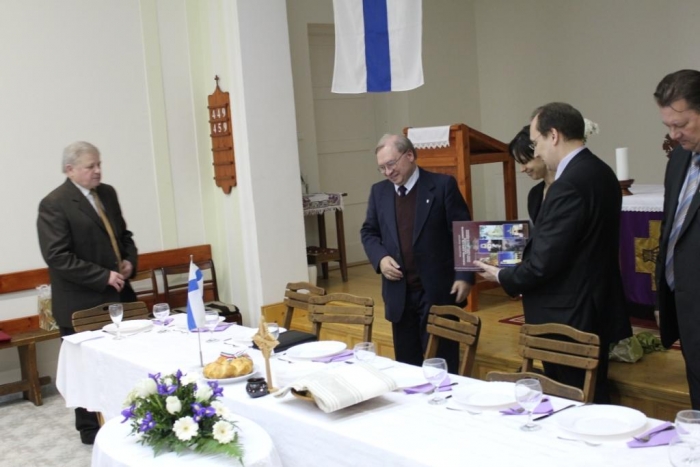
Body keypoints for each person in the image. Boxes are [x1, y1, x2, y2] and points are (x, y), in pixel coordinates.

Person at [476, 103, 631, 403]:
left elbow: (545, 261)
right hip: (592, 304)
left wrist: (503, 276)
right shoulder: (601, 171)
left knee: (570, 400)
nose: (536, 151)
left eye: (536, 142)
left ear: (554, 135)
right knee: (591, 395)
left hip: (567, 315)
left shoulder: (569, 184)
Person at [37, 141, 138, 444]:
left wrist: (129, 261)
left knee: (124, 362)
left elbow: (123, 236)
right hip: (81, 302)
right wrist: (103, 276)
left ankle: (127, 420)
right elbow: (58, 257)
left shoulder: (107, 193)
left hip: (119, 297)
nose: (97, 171)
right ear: (70, 170)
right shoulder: (54, 204)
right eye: (90, 166)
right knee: (86, 370)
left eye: (99, 164)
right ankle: (91, 430)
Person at [360, 134, 474, 373]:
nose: (388, 172)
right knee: (407, 368)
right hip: (399, 293)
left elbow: (463, 232)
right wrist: (380, 258)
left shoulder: (442, 186)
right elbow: (369, 232)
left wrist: (464, 275)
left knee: (443, 366)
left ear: (410, 155)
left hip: (437, 291)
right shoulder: (379, 192)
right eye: (382, 168)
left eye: (391, 164)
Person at [654, 69, 700, 409]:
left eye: (680, 124)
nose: (674, 134)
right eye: (668, 126)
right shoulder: (680, 158)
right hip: (687, 310)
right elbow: (671, 229)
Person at [508, 125, 555, 224]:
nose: (522, 169)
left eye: (525, 161)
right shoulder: (534, 194)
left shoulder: (569, 186)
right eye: (519, 163)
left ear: (540, 152)